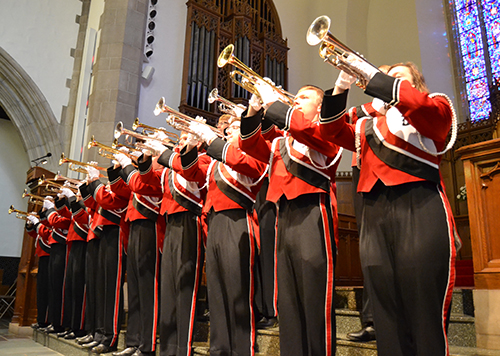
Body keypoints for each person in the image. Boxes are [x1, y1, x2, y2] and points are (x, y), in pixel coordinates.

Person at [320, 60, 460, 356]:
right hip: (374, 212)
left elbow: (427, 115)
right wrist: (341, 87)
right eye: (386, 77)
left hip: (418, 205)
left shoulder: (435, 104)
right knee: (385, 308)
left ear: (415, 85)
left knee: (423, 305)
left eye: (398, 77)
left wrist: (376, 77)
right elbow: (330, 131)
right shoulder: (366, 126)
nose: (387, 80)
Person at [240, 82, 342, 356]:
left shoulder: (329, 129)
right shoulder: (281, 142)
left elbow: (310, 135)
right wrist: (254, 108)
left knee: (314, 299)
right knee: (289, 300)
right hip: (283, 217)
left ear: (319, 106)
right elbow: (249, 144)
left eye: (305, 97)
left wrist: (276, 104)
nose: (297, 101)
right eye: (294, 98)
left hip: (313, 214)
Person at [185, 116, 268, 356]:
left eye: (235, 127)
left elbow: (249, 167)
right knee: (217, 290)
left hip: (238, 220)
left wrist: (211, 139)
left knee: (237, 289)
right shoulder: (215, 159)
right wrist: (191, 144)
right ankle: (219, 349)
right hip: (215, 222)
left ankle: (242, 349)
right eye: (227, 128)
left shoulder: (253, 152)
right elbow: (191, 173)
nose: (228, 130)